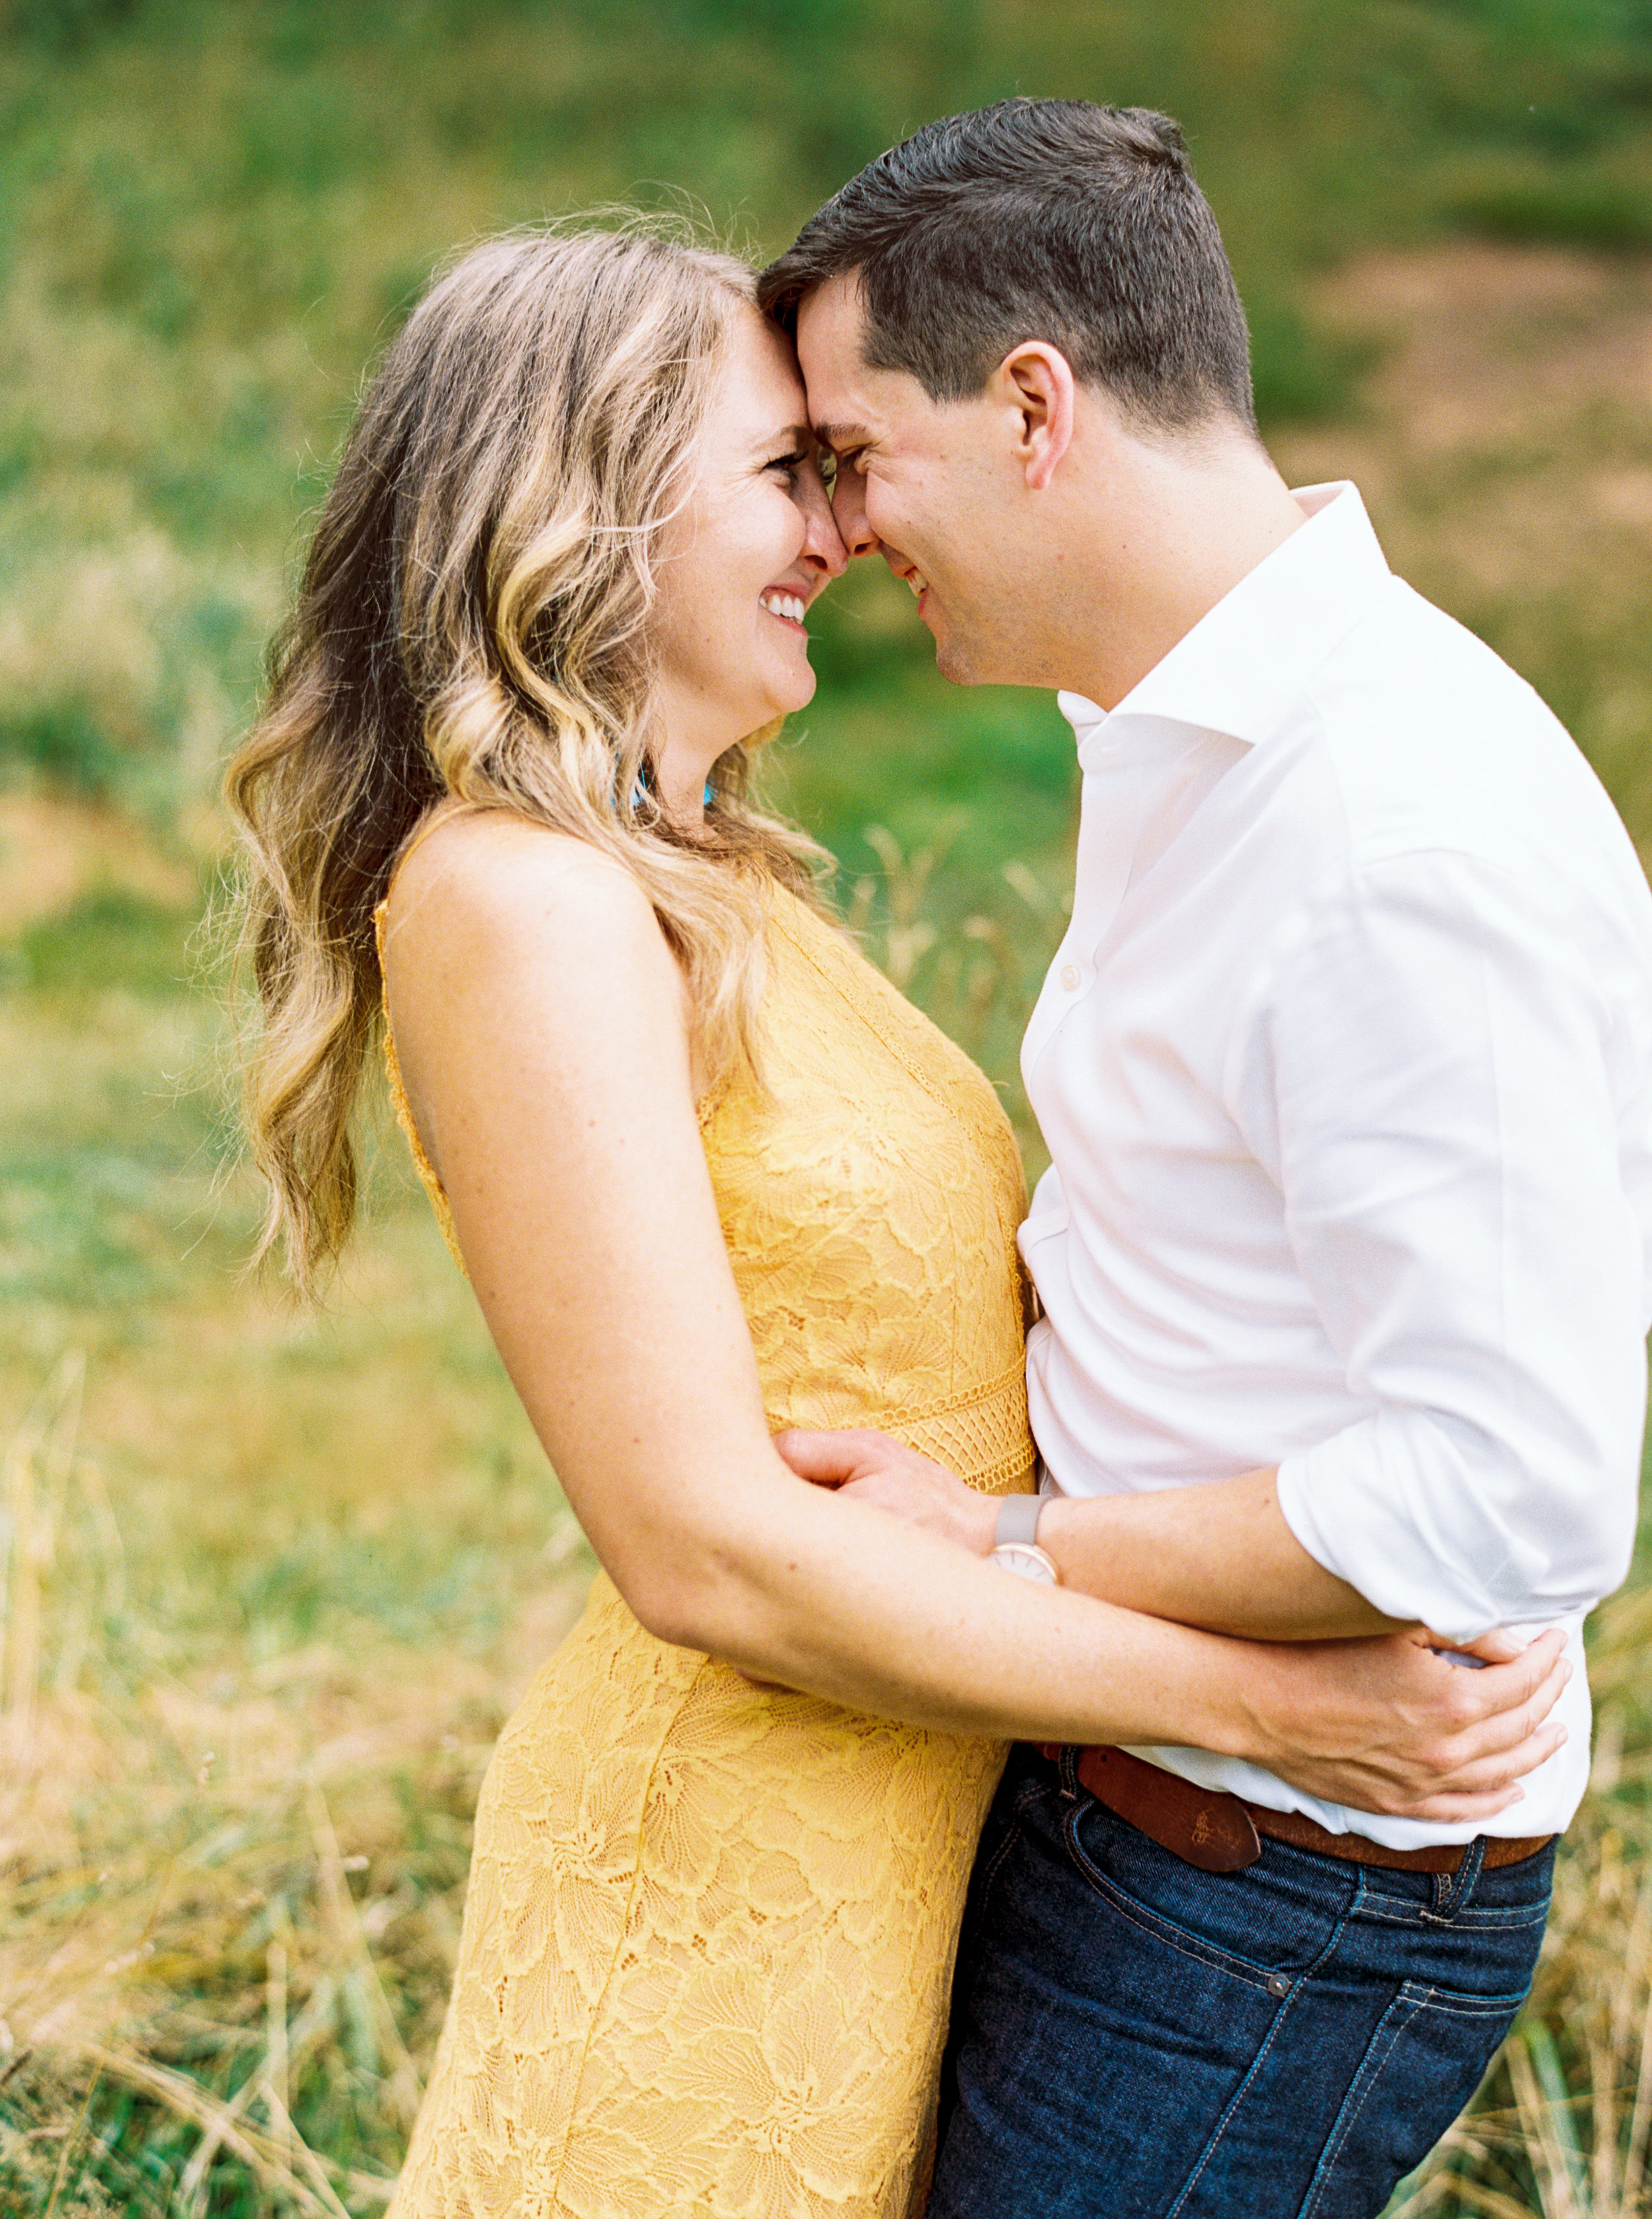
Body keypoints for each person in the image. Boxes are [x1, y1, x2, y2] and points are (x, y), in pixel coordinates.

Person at [226, 223, 1571, 2219]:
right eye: (789, 470)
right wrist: (1282, 1707)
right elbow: (701, 1554)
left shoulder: (699, 877)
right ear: (585, 501)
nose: (839, 530)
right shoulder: (520, 902)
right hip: (714, 1871)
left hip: (895, 1836)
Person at [759, 97, 1652, 2218]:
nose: (844, 525)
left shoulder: (1394, 828)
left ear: (1034, 406)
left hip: (1271, 1902)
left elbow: (1498, 1499)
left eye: (858, 451)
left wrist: (1004, 1546)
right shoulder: (1179, 731)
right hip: (1134, 1794)